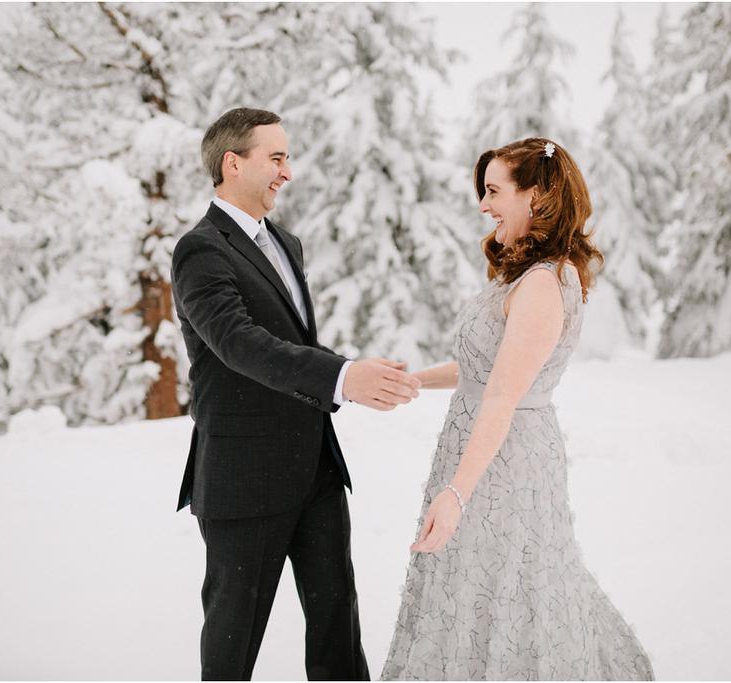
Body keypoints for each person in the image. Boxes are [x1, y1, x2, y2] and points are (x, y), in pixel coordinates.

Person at [381, 138, 655, 680]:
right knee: (473, 586)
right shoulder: (523, 276)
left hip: (504, 464)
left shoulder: (544, 285)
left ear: (536, 196)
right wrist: (414, 380)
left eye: (493, 191)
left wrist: (457, 494)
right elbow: (487, 370)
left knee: (510, 587)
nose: (483, 205)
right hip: (479, 453)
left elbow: (504, 395)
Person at [171, 107, 421, 681]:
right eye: (277, 158)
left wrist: (356, 370)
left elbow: (288, 342)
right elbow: (238, 342)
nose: (288, 172)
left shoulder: (286, 243)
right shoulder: (200, 249)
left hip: (315, 471)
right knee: (232, 647)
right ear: (233, 164)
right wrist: (341, 377)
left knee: (338, 633)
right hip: (244, 477)